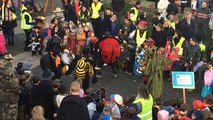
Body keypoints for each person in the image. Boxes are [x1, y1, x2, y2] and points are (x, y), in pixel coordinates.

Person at [0, 54, 19, 120]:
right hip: (11, 97)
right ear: (10, 60)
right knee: (12, 113)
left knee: (4, 112)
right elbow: (15, 86)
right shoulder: (11, 71)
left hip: (2, 95)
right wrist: (18, 91)